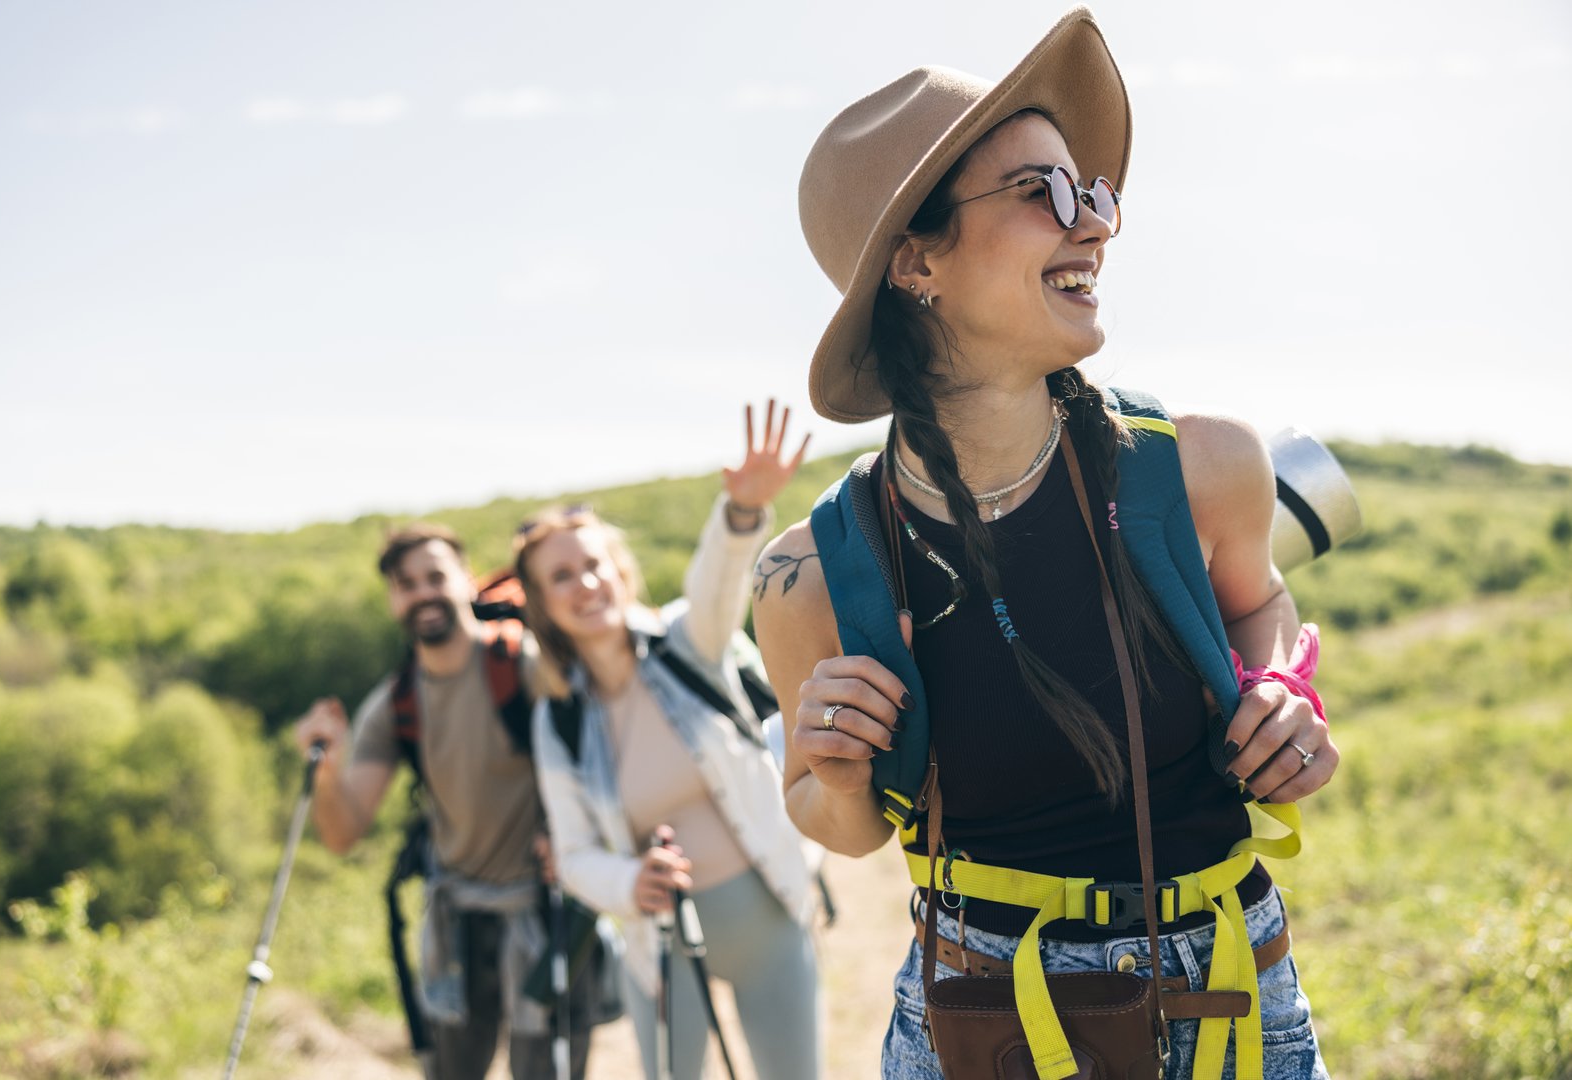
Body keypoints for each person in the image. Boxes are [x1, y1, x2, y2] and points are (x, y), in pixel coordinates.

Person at [754, 9, 1337, 1080]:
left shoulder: (1203, 463)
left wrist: (1276, 695)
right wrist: (836, 773)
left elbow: (1258, 605)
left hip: (1230, 993)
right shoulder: (812, 572)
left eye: (1096, 191)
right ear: (914, 261)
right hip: (981, 1014)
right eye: (1044, 193)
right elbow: (835, 823)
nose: (1096, 224)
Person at [516, 401, 824, 1080]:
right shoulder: (558, 720)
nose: (584, 584)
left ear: (619, 571)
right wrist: (631, 881)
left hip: (768, 920)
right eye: (560, 577)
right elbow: (572, 856)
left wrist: (739, 513)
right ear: (543, 604)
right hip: (657, 949)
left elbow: (715, 585)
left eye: (592, 565)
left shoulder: (688, 646)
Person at [293, 524, 612, 1080]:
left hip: (548, 909)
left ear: (465, 580)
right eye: (406, 584)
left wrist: (576, 833)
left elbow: (606, 751)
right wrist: (326, 775)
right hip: (458, 919)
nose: (423, 594)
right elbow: (344, 834)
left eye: (436, 577)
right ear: (393, 598)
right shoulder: (396, 702)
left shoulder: (526, 665)